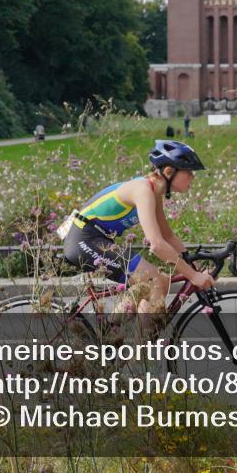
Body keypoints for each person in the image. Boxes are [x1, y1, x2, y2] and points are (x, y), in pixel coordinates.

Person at [59, 140, 213, 334]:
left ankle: (111, 334)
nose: (192, 178)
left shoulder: (153, 192)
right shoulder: (143, 191)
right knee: (153, 280)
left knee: (161, 282)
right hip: (84, 240)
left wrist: (192, 265)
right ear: (168, 172)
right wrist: (193, 276)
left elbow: (168, 235)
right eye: (189, 172)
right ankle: (135, 346)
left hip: (97, 239)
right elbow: (156, 244)